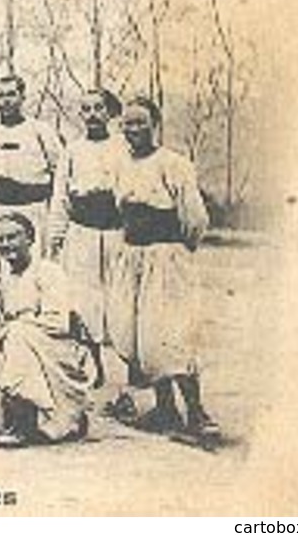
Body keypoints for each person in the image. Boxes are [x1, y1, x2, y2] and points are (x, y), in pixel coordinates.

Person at [107, 97, 218, 444]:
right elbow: (119, 208)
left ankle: (197, 413)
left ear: (155, 124)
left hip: (166, 257)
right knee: (140, 334)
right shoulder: (120, 163)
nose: (134, 129)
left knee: (171, 331)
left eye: (141, 122)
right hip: (132, 256)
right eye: (128, 123)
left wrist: (174, 250)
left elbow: (195, 219)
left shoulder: (174, 164)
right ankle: (164, 408)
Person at [0, 212, 92, 447]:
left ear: (30, 239)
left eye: (13, 237)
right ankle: (43, 416)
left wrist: (16, 329)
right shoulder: (4, 279)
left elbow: (58, 323)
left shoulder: (48, 272)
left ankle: (24, 421)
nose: (6, 245)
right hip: (17, 352)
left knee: (18, 334)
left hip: (54, 350)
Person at [55, 88, 125, 384]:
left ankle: (127, 370)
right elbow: (61, 196)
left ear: (109, 113)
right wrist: (56, 236)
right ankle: (96, 366)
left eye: (99, 108)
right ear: (80, 114)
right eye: (86, 109)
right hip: (82, 234)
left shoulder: (123, 148)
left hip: (115, 233)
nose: (93, 115)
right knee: (84, 301)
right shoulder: (72, 151)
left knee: (119, 299)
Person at [0, 74, 66, 258]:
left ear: (22, 97)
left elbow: (59, 169)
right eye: (0, 95)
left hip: (33, 210)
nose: (5, 101)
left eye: (11, 95)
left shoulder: (41, 131)